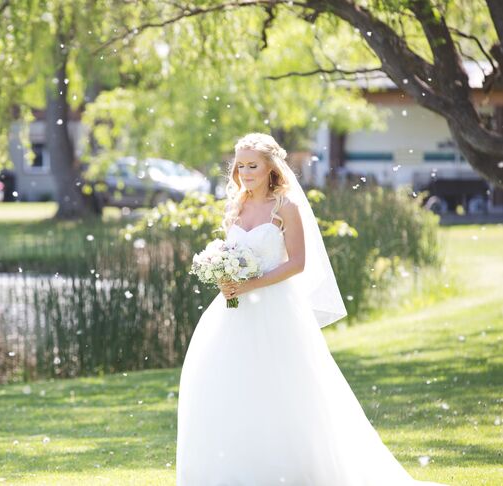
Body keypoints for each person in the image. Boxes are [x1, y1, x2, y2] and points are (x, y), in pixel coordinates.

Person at [175, 132, 447, 485]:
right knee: (230, 386)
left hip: (275, 308)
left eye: (252, 165)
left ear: (271, 167)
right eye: (240, 166)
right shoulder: (236, 206)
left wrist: (252, 283)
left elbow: (298, 263)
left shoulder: (284, 206)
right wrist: (224, 275)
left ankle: (292, 470)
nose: (245, 172)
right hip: (233, 309)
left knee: (284, 388)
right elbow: (233, 254)